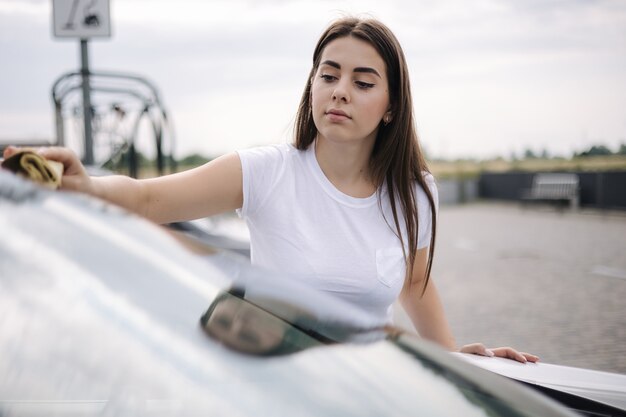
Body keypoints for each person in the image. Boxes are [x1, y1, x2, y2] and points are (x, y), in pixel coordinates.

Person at [4, 17, 537, 363]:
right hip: (277, 390)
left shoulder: (415, 191)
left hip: (370, 392)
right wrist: (83, 183)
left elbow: (415, 283)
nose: (340, 91)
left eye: (363, 81)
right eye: (328, 75)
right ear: (311, 86)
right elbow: (149, 199)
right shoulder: (267, 171)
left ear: (391, 106)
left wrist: (458, 367)